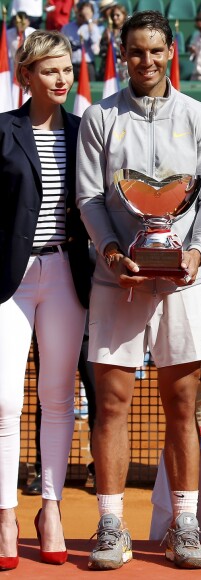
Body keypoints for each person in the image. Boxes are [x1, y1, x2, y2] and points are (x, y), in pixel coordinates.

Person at [76, 10, 201, 570]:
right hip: (117, 281)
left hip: (184, 281)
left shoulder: (199, 117)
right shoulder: (99, 117)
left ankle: (184, 526)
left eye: (155, 51)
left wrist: (196, 251)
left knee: (182, 404)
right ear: (122, 54)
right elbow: (91, 198)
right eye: (135, 52)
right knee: (112, 404)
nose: (146, 61)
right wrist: (114, 254)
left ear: (172, 53)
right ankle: (111, 524)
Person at [0, 29, 91, 571]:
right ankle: (6, 513)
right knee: (5, 402)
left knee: (58, 397)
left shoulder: (86, 131)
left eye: (65, 68)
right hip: (9, 279)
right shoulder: (2, 131)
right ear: (26, 75)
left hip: (67, 273)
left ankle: (50, 509)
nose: (60, 78)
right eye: (49, 69)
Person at [61, 1, 102, 81]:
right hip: (71, 64)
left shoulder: (94, 28)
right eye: (81, 14)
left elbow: (95, 48)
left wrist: (89, 21)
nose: (82, 16)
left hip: (87, 64)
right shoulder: (67, 28)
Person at [99, 3, 129, 81]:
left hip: (123, 70)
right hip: (109, 68)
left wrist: (113, 48)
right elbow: (102, 52)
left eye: (117, 15)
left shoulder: (128, 31)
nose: (115, 18)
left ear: (124, 15)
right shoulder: (108, 31)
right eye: (113, 15)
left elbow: (128, 51)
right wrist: (107, 42)